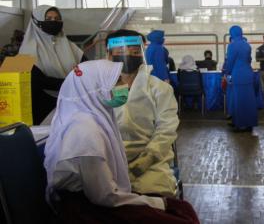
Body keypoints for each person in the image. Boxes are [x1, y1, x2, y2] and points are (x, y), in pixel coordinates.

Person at [43, 60, 199, 223]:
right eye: (116, 81)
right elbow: (105, 196)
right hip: (88, 208)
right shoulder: (85, 134)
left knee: (183, 209)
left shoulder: (92, 118)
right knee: (182, 214)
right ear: (96, 88)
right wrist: (157, 203)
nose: (122, 86)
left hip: (102, 196)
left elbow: (166, 130)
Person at [106, 29, 180, 197]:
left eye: (135, 51)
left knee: (154, 198)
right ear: (109, 55)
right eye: (122, 52)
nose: (129, 55)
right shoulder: (99, 91)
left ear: (142, 53)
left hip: (152, 163)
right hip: (108, 161)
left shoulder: (160, 89)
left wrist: (143, 162)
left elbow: (166, 131)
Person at [19, 5, 85, 125]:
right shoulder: (26, 51)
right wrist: (72, 83)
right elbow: (36, 81)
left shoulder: (69, 46)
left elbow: (86, 66)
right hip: (44, 108)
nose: (54, 22)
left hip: (72, 101)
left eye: (57, 18)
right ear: (36, 22)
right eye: (48, 19)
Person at [224, 25, 258, 132]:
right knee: (249, 100)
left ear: (232, 33)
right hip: (248, 74)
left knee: (238, 101)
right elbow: (249, 59)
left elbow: (230, 62)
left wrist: (227, 73)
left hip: (237, 75)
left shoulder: (232, 46)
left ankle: (240, 124)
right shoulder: (246, 44)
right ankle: (249, 124)